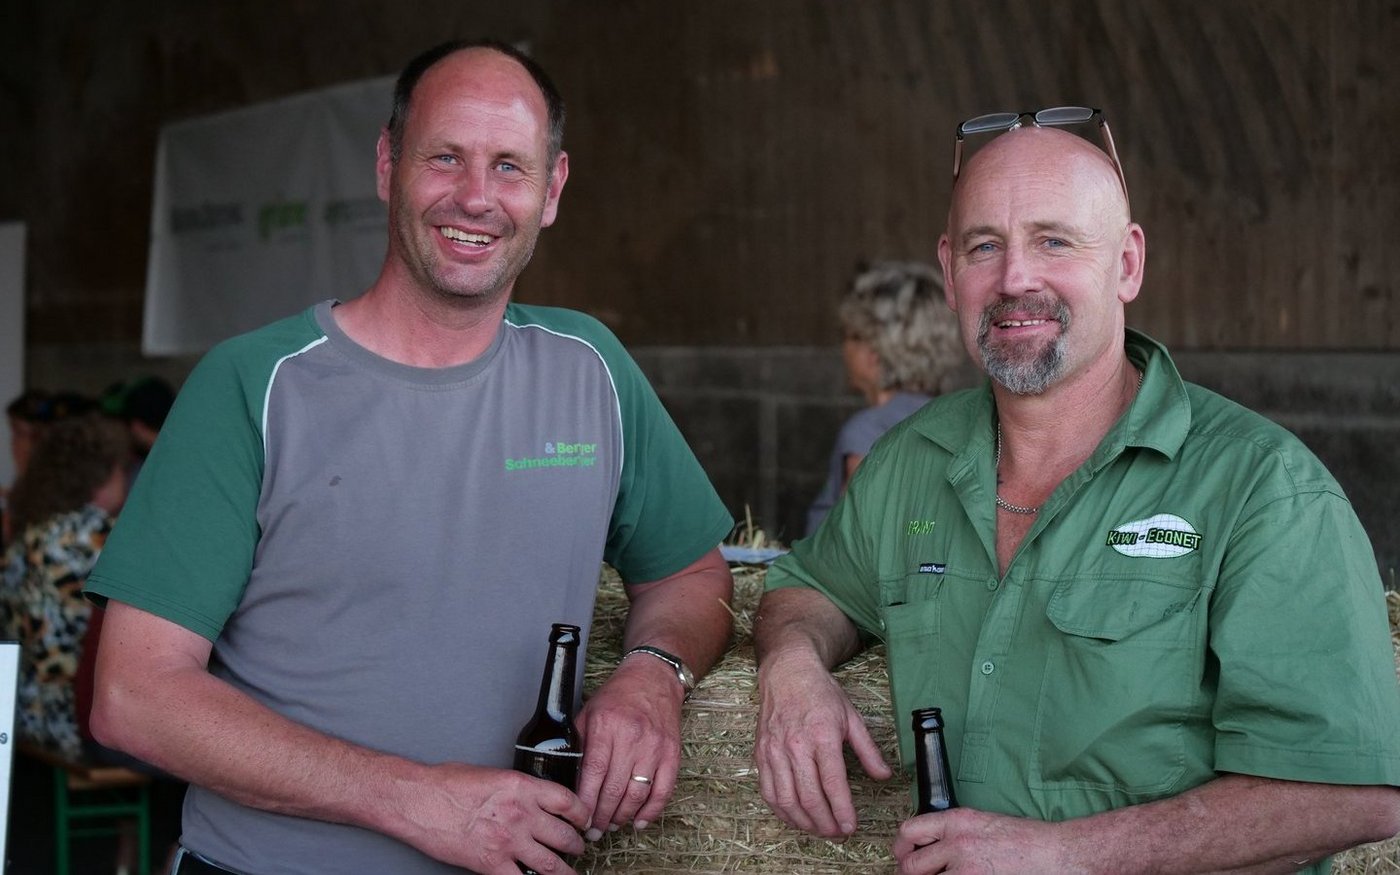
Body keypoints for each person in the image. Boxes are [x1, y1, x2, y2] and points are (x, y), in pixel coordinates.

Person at [85, 39, 735, 875]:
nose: (476, 197)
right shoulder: (254, 384)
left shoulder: (591, 370)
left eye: (510, 166)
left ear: (552, 190)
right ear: (388, 165)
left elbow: (691, 573)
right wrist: (415, 798)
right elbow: (133, 695)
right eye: (445, 157)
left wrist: (654, 673)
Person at [752, 110, 1400, 874]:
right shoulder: (910, 461)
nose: (1015, 278)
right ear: (950, 272)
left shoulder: (1265, 488)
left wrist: (1065, 854)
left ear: (1127, 263)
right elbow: (810, 588)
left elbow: (1349, 792)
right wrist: (791, 665)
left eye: (1054, 241)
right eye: (984, 246)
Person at [2, 411, 131, 757]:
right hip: (76, 723)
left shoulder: (28, 535)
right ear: (103, 475)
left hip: (21, 716)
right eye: (122, 469)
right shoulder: (104, 538)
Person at [805, 261, 965, 535]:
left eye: (849, 335)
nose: (844, 348)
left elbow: (859, 539)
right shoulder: (957, 419)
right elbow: (924, 530)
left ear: (873, 350)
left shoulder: (868, 431)